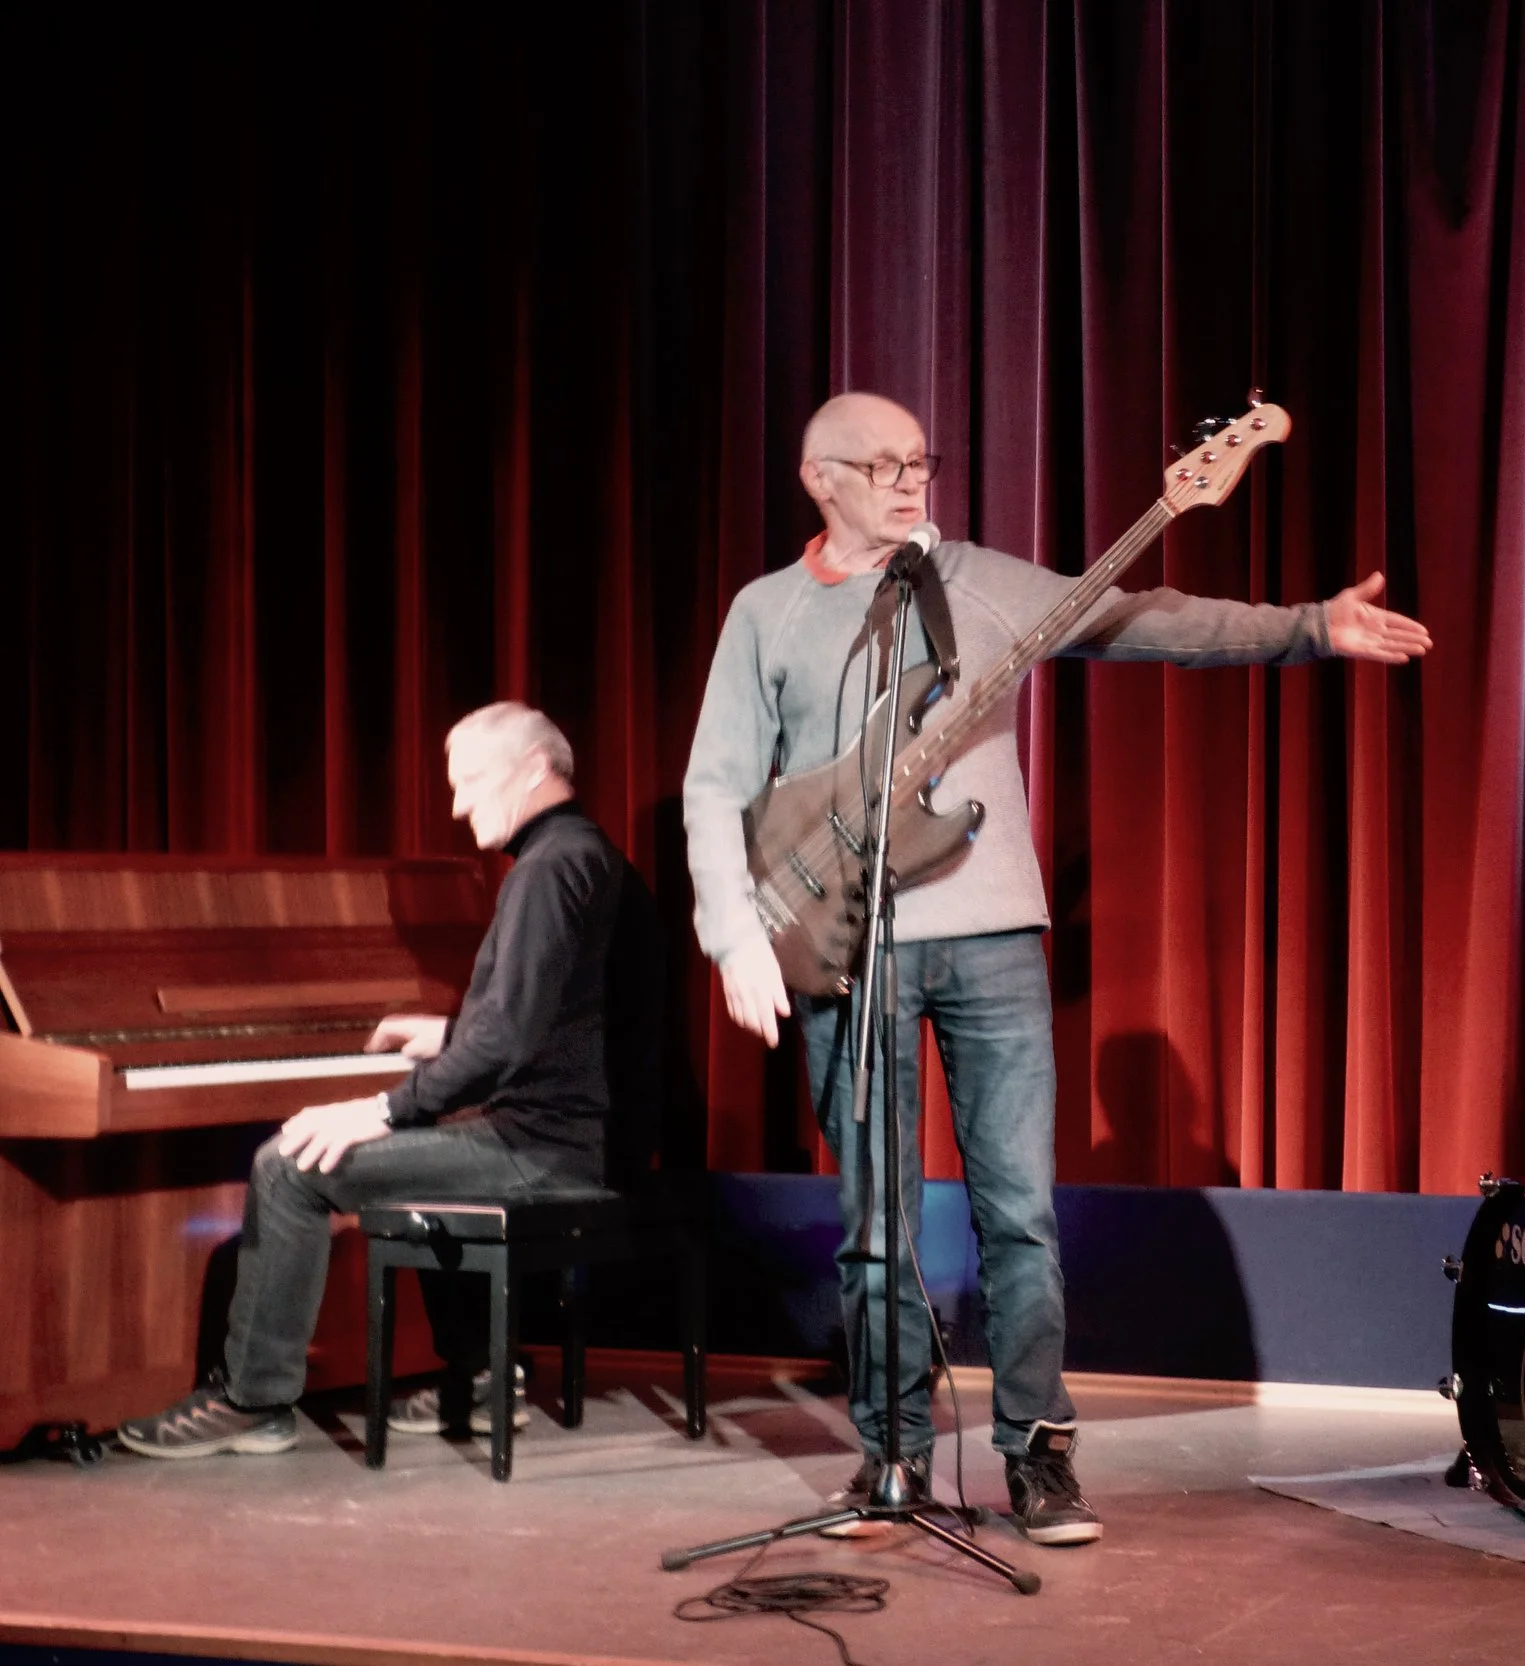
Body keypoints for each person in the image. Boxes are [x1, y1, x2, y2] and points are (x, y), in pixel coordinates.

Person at [683, 391, 1430, 1546]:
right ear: (818, 478)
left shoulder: (976, 582)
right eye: (882, 466)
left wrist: (1306, 627)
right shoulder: (765, 612)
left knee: (1018, 1213)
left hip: (990, 942)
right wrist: (735, 932)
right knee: (875, 1221)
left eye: (920, 461)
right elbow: (716, 782)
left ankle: (1038, 1454)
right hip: (848, 947)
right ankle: (892, 1455)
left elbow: (1146, 618)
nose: (909, 481)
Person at [120, 703, 648, 1457]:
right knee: (434, 1138)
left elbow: (506, 1038)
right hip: (580, 1139)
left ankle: (252, 1399)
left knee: (287, 1168)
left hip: (549, 1152)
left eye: (471, 780)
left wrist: (384, 1109)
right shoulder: (587, 854)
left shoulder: (548, 868)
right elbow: (559, 1023)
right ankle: (481, 1375)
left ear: (536, 768)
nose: (457, 804)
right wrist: (451, 1036)